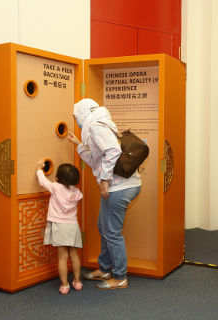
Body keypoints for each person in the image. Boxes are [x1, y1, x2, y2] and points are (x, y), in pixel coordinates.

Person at [68, 98, 141, 290]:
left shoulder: (95, 127)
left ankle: (120, 277)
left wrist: (105, 180)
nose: (77, 121)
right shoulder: (101, 123)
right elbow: (96, 161)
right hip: (121, 185)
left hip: (118, 187)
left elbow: (113, 151)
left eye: (76, 117)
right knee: (104, 226)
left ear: (83, 113)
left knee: (112, 232)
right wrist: (79, 145)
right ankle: (105, 268)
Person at [36, 161, 83, 295]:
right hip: (73, 226)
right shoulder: (77, 192)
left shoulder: (55, 187)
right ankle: (77, 281)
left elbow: (43, 182)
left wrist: (39, 169)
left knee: (62, 257)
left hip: (59, 226)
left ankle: (64, 285)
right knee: (74, 255)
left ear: (57, 178)